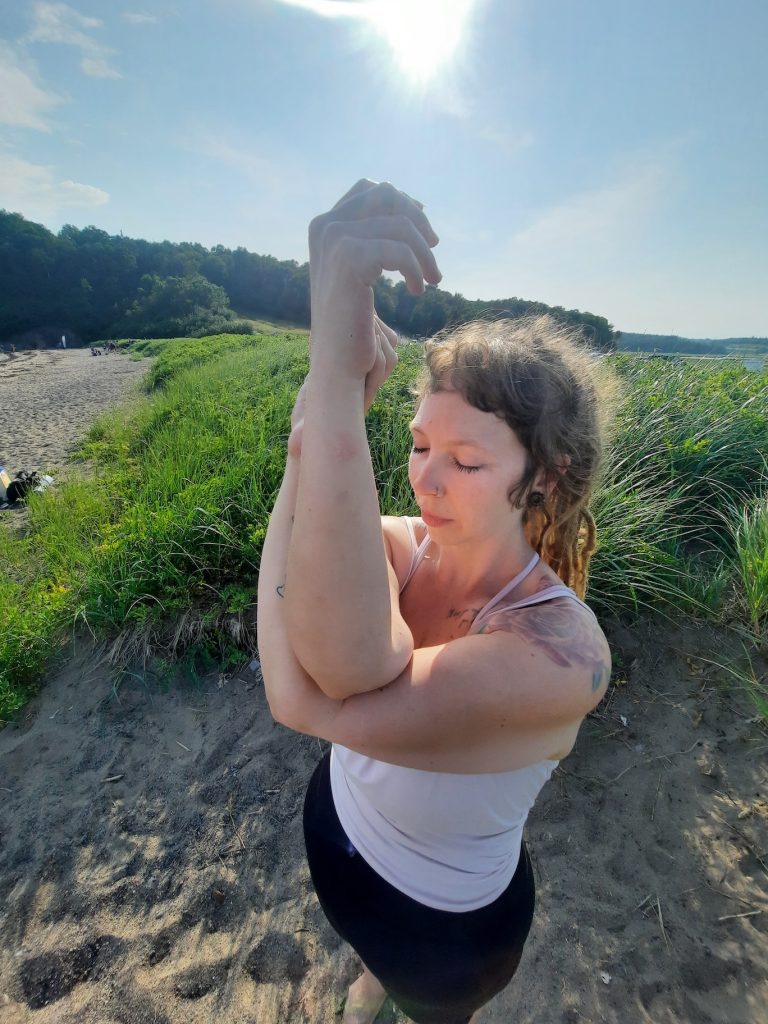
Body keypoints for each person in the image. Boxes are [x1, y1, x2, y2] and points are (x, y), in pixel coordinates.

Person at [257, 179, 614, 1024]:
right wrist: (307, 445)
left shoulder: (563, 658)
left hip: (450, 930)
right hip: (337, 835)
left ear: (545, 477)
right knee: (372, 966)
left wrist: (334, 383)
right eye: (419, 444)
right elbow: (319, 569)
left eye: (467, 459)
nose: (425, 477)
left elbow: (307, 691)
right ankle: (373, 976)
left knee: (430, 1008)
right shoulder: (394, 544)